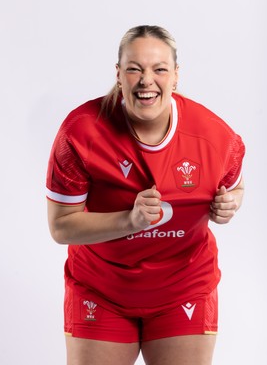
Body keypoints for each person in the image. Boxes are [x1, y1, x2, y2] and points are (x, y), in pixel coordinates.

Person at [46, 25, 245, 365]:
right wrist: (130, 220)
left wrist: (229, 203)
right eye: (134, 68)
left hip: (184, 286)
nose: (146, 80)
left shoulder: (214, 135)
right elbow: (61, 227)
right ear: (119, 74)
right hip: (101, 289)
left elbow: (234, 186)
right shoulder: (80, 132)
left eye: (160, 69)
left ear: (177, 76)